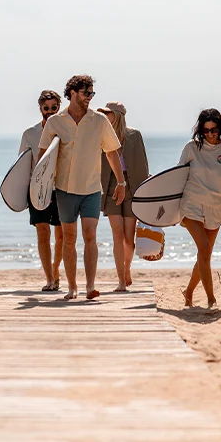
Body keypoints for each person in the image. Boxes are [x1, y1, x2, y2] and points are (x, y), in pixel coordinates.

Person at [38, 75, 125, 301]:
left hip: (91, 189)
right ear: (73, 93)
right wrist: (40, 188)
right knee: (68, 238)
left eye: (92, 93)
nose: (90, 97)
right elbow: (43, 157)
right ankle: (72, 287)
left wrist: (121, 182)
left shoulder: (99, 121)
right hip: (64, 190)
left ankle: (90, 286)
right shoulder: (55, 122)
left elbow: (112, 151)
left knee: (90, 235)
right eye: (86, 93)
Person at [179, 109, 221, 310]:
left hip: (215, 205)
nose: (210, 134)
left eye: (214, 130)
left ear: (220, 128)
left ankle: (188, 292)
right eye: (206, 131)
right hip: (191, 203)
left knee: (204, 255)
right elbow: (178, 174)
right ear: (200, 130)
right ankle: (211, 299)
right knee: (204, 249)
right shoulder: (192, 147)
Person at [98, 101, 149, 291]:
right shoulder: (101, 135)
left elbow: (143, 163)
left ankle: (127, 269)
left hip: (132, 186)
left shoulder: (134, 136)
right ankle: (121, 280)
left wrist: (146, 191)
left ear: (117, 115)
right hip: (110, 185)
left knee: (129, 236)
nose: (104, 116)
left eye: (107, 113)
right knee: (117, 234)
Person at [19, 90, 64, 291]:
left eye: (54, 108)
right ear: (40, 108)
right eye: (46, 108)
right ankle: (49, 278)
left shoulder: (67, 131)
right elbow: (22, 165)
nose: (50, 112)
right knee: (43, 232)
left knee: (62, 235)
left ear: (59, 107)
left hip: (62, 188)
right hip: (37, 189)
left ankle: (55, 268)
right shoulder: (30, 134)